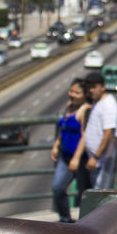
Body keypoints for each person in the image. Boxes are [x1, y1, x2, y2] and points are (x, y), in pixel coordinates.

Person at [50, 77, 91, 223]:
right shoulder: (69, 107)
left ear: (85, 95)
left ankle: (84, 225)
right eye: (71, 91)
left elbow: (84, 135)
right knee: (58, 188)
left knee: (83, 194)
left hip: (80, 159)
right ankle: (65, 219)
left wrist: (77, 158)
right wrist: (56, 145)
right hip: (65, 156)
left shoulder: (85, 110)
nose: (72, 94)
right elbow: (63, 127)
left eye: (77, 93)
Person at [83, 74, 117, 189]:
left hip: (102, 161)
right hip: (96, 161)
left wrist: (96, 157)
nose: (91, 90)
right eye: (89, 87)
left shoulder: (108, 104)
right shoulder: (97, 102)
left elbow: (108, 133)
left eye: (94, 87)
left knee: (100, 194)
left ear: (103, 87)